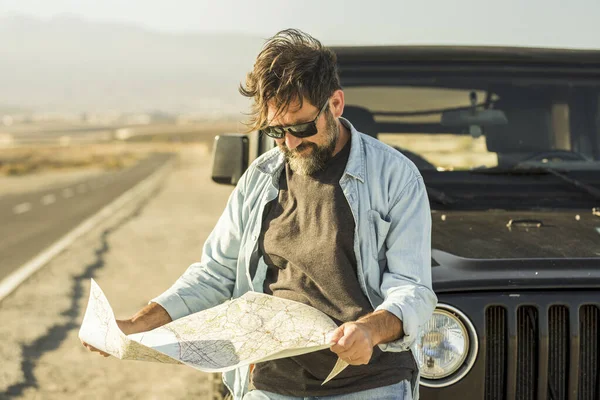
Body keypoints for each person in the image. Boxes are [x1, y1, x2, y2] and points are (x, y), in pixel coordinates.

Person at [82, 28, 437, 400]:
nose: (291, 142)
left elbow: (412, 289)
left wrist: (369, 331)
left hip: (368, 384)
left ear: (335, 104)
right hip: (270, 385)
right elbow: (215, 273)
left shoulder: (395, 177)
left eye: (301, 126)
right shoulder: (259, 179)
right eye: (276, 131)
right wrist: (135, 326)